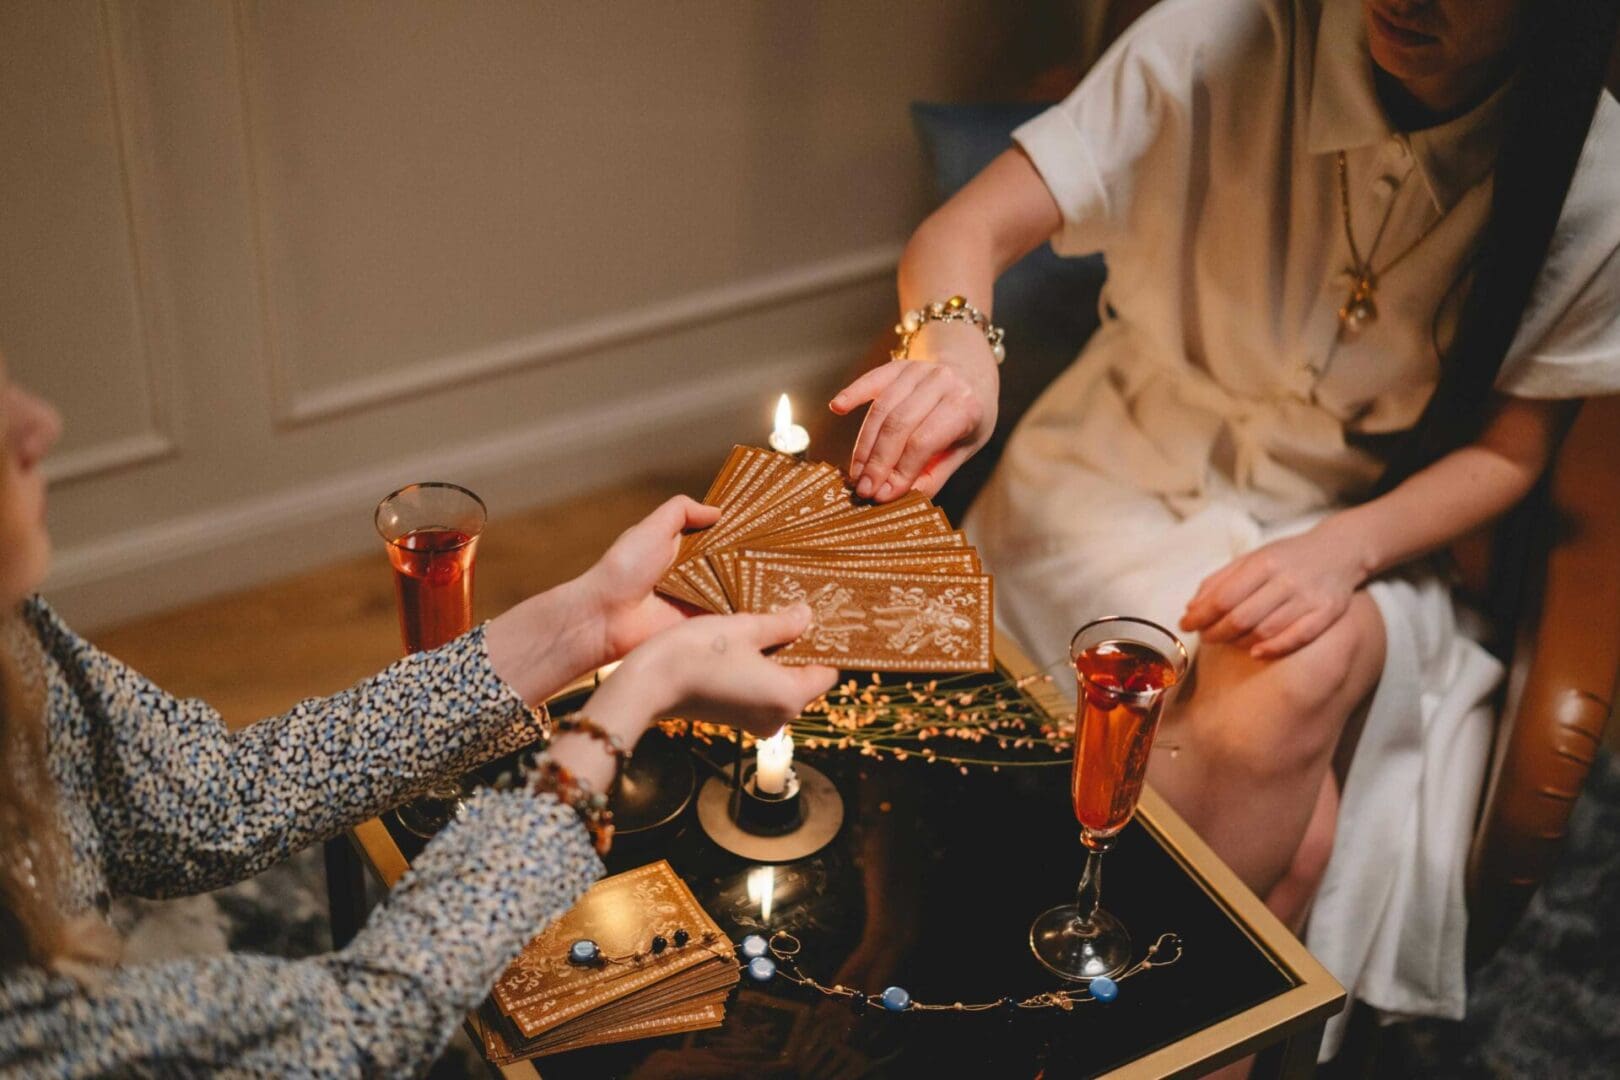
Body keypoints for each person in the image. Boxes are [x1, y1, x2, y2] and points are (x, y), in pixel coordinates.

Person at [828, 0, 1620, 1053]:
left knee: (1290, 663)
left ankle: (1075, 1030)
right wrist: (960, 354)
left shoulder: (1596, 176)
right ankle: (1148, 1040)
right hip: (1119, 470)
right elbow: (963, 231)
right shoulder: (1218, 31)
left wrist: (1342, 551)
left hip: (1363, 514)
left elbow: (1510, 453)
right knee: (1299, 850)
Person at [0, 361, 837, 1076]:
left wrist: (589, 624)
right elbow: (353, 1029)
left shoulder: (16, 637)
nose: (40, 423)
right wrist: (616, 715)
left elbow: (207, 800)